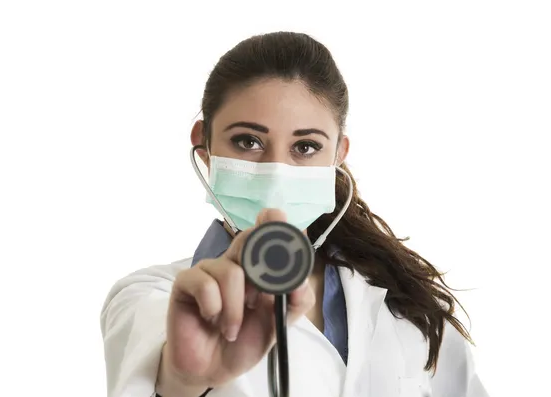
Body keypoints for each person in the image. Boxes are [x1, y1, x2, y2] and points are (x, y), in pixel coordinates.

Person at [100, 32, 488, 397]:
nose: (276, 172)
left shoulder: (407, 301)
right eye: (248, 142)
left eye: (305, 147)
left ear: (338, 154)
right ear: (204, 145)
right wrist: (182, 380)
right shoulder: (152, 296)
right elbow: (153, 369)